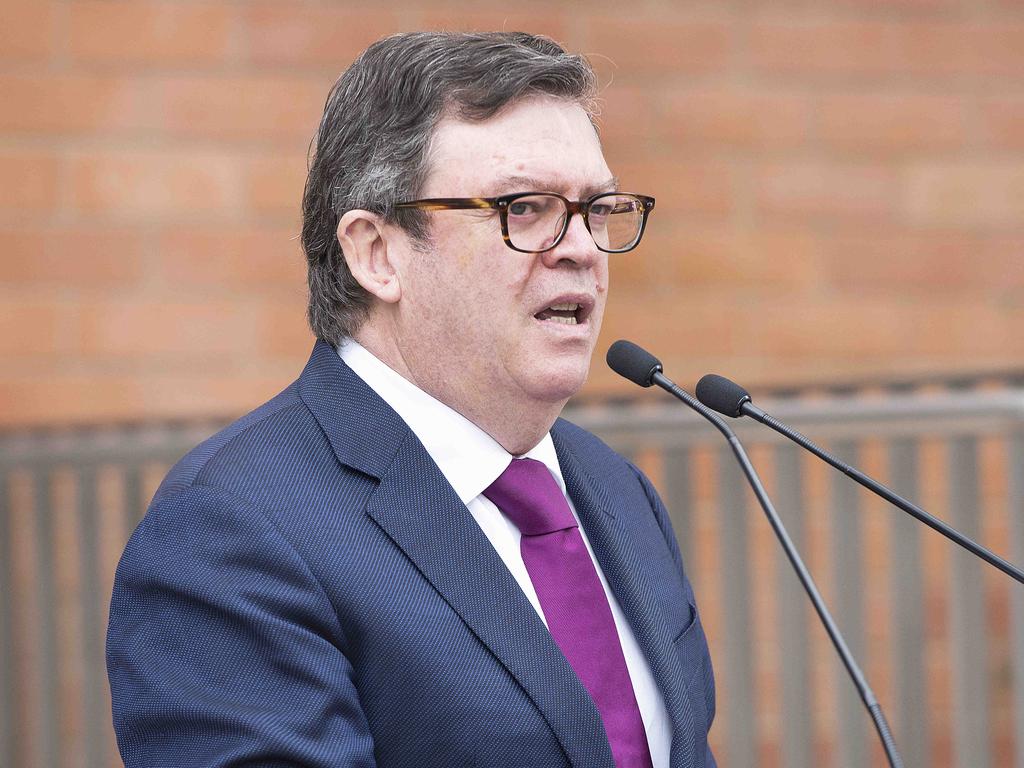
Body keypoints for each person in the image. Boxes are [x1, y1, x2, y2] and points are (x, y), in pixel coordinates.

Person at [106, 31, 716, 768]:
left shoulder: (618, 491)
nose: (582, 247)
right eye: (524, 208)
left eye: (597, 208)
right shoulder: (230, 531)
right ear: (377, 253)